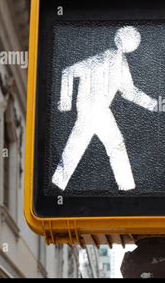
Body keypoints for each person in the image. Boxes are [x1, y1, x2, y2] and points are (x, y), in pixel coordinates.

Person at [52, 26, 157, 191]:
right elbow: (68, 71)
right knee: (81, 147)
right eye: (129, 40)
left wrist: (152, 104)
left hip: (101, 111)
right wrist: (66, 101)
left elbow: (129, 91)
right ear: (120, 39)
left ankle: (127, 188)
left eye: (132, 42)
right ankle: (57, 185)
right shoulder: (98, 59)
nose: (130, 44)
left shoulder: (121, 63)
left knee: (112, 146)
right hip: (89, 109)